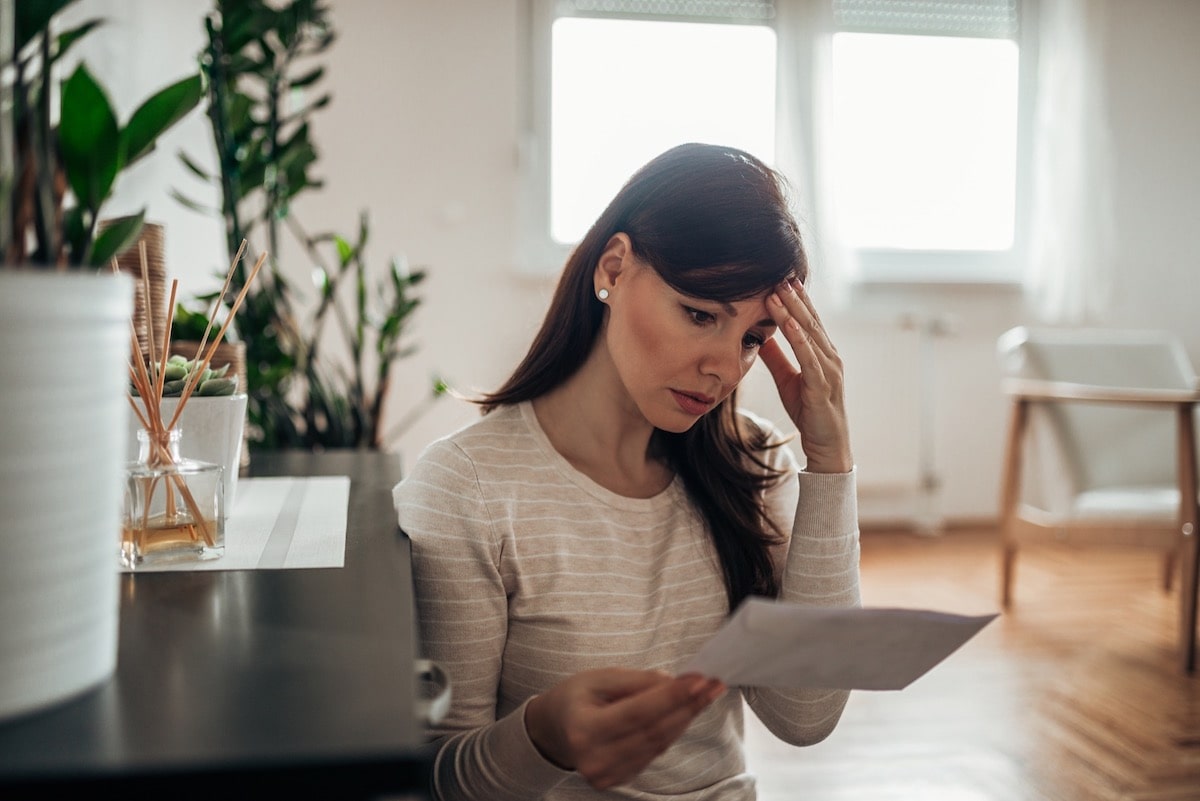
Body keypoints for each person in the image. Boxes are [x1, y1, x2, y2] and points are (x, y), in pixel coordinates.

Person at [393, 142, 861, 800]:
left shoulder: (751, 462)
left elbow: (804, 714)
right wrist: (542, 734)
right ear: (614, 267)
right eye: (700, 314)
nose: (726, 369)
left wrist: (831, 464)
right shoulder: (468, 487)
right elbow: (441, 776)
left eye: (751, 338)